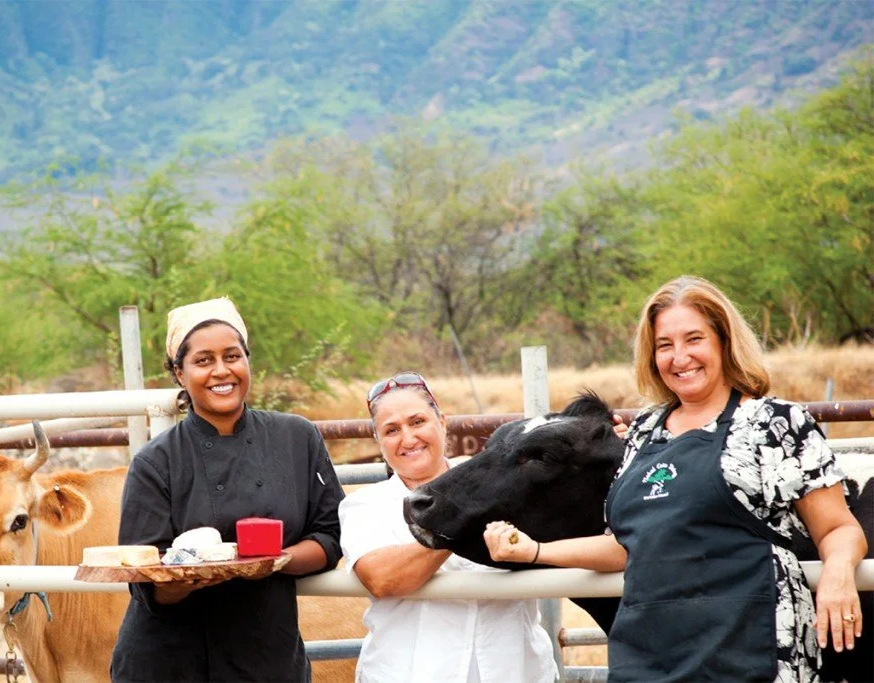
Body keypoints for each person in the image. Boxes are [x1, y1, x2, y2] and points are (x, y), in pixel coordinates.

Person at [484, 276, 866, 682]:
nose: (679, 357)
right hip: (650, 656)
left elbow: (838, 528)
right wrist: (537, 552)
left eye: (694, 339)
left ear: (724, 341)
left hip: (749, 653)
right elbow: (627, 546)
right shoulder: (646, 431)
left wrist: (839, 574)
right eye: (665, 345)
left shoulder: (776, 423)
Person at [110, 296, 344, 683]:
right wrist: (184, 579)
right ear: (179, 374)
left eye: (232, 356)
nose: (222, 371)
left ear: (248, 361)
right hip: (170, 662)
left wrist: (274, 559)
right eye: (203, 361)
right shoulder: (156, 462)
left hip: (268, 656)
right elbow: (144, 583)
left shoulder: (296, 438)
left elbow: (332, 535)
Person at [339, 371, 558, 683]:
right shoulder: (365, 506)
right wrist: (461, 521)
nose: (408, 438)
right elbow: (382, 579)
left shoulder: (500, 481)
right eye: (391, 430)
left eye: (417, 422)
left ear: (442, 422)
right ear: (379, 441)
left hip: (516, 671)